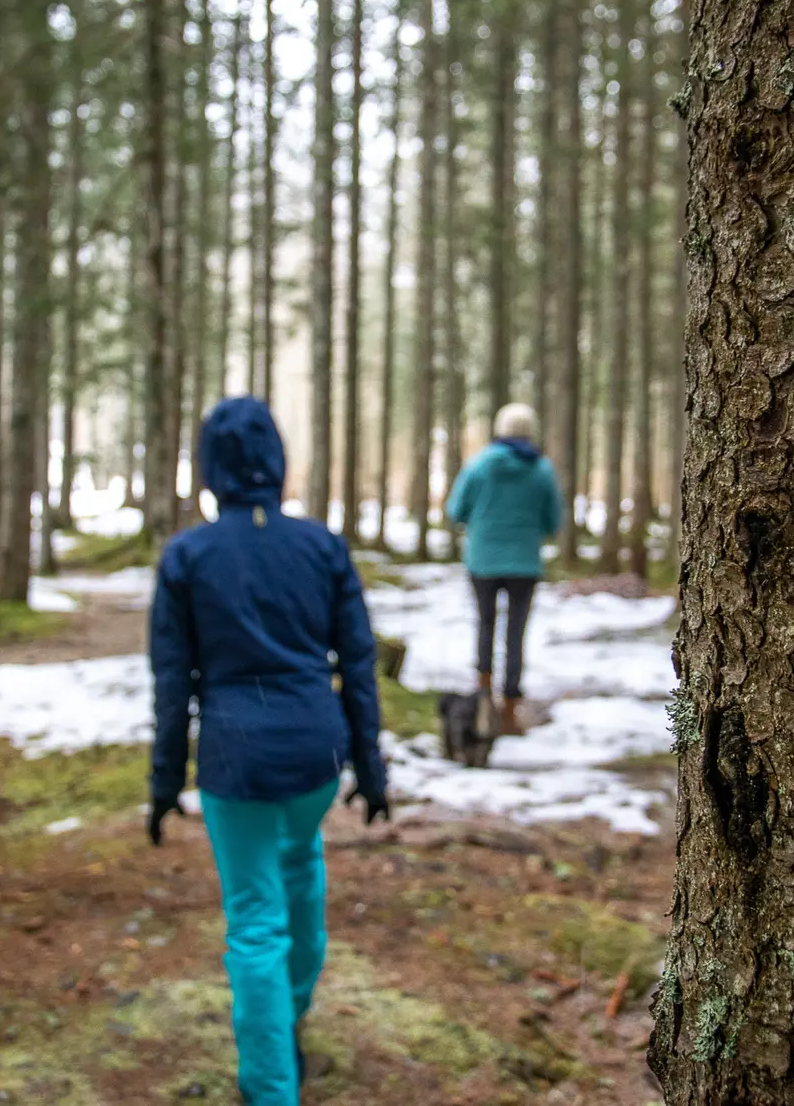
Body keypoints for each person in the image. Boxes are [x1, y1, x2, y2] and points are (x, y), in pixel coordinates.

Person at [147, 396, 389, 1106]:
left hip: (234, 758)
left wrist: (164, 783)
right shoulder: (321, 547)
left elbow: (171, 686)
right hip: (315, 753)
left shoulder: (188, 555)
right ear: (277, 462)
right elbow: (359, 663)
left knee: (255, 918)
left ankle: (270, 1085)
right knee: (301, 865)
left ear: (209, 468)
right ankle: (291, 1015)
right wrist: (370, 771)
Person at [446, 403, 563, 737]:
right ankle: (510, 712)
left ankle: (483, 702)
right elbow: (553, 522)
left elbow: (456, 510)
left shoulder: (479, 466)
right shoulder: (542, 470)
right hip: (525, 564)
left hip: (482, 561)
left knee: (484, 625)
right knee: (515, 634)